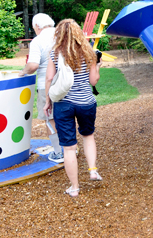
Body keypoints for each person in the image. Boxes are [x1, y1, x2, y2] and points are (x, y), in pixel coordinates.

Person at [44, 19, 103, 197]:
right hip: (86, 102)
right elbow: (93, 81)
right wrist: (98, 67)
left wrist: (48, 101)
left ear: (59, 34)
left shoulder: (55, 53)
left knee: (69, 147)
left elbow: (48, 79)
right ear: (79, 33)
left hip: (63, 104)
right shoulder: (89, 53)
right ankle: (92, 170)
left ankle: (75, 187)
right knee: (88, 136)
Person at [18, 13, 64, 163]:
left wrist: (23, 72)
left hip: (47, 84)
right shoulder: (62, 35)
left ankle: (59, 152)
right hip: (66, 82)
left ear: (37, 26)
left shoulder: (38, 41)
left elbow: (33, 65)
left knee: (50, 118)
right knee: (66, 115)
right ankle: (70, 147)